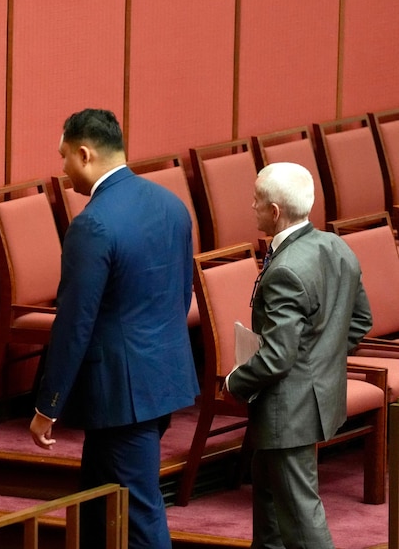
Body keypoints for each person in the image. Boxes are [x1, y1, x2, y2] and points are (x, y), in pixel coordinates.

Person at [29, 108, 199, 549]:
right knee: (98, 505)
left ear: (85, 154)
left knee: (138, 513)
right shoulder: (171, 205)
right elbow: (181, 294)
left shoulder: (93, 223)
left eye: (64, 157)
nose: (63, 169)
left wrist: (49, 404)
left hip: (121, 393)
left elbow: (74, 322)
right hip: (162, 378)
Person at [224, 161, 372, 548]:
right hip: (312, 399)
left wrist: (234, 382)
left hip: (288, 410)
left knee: (300, 515)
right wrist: (321, 362)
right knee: (270, 500)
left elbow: (277, 357)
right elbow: (361, 320)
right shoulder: (336, 246)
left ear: (274, 211)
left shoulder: (285, 270)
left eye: (256, 200)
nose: (251, 206)